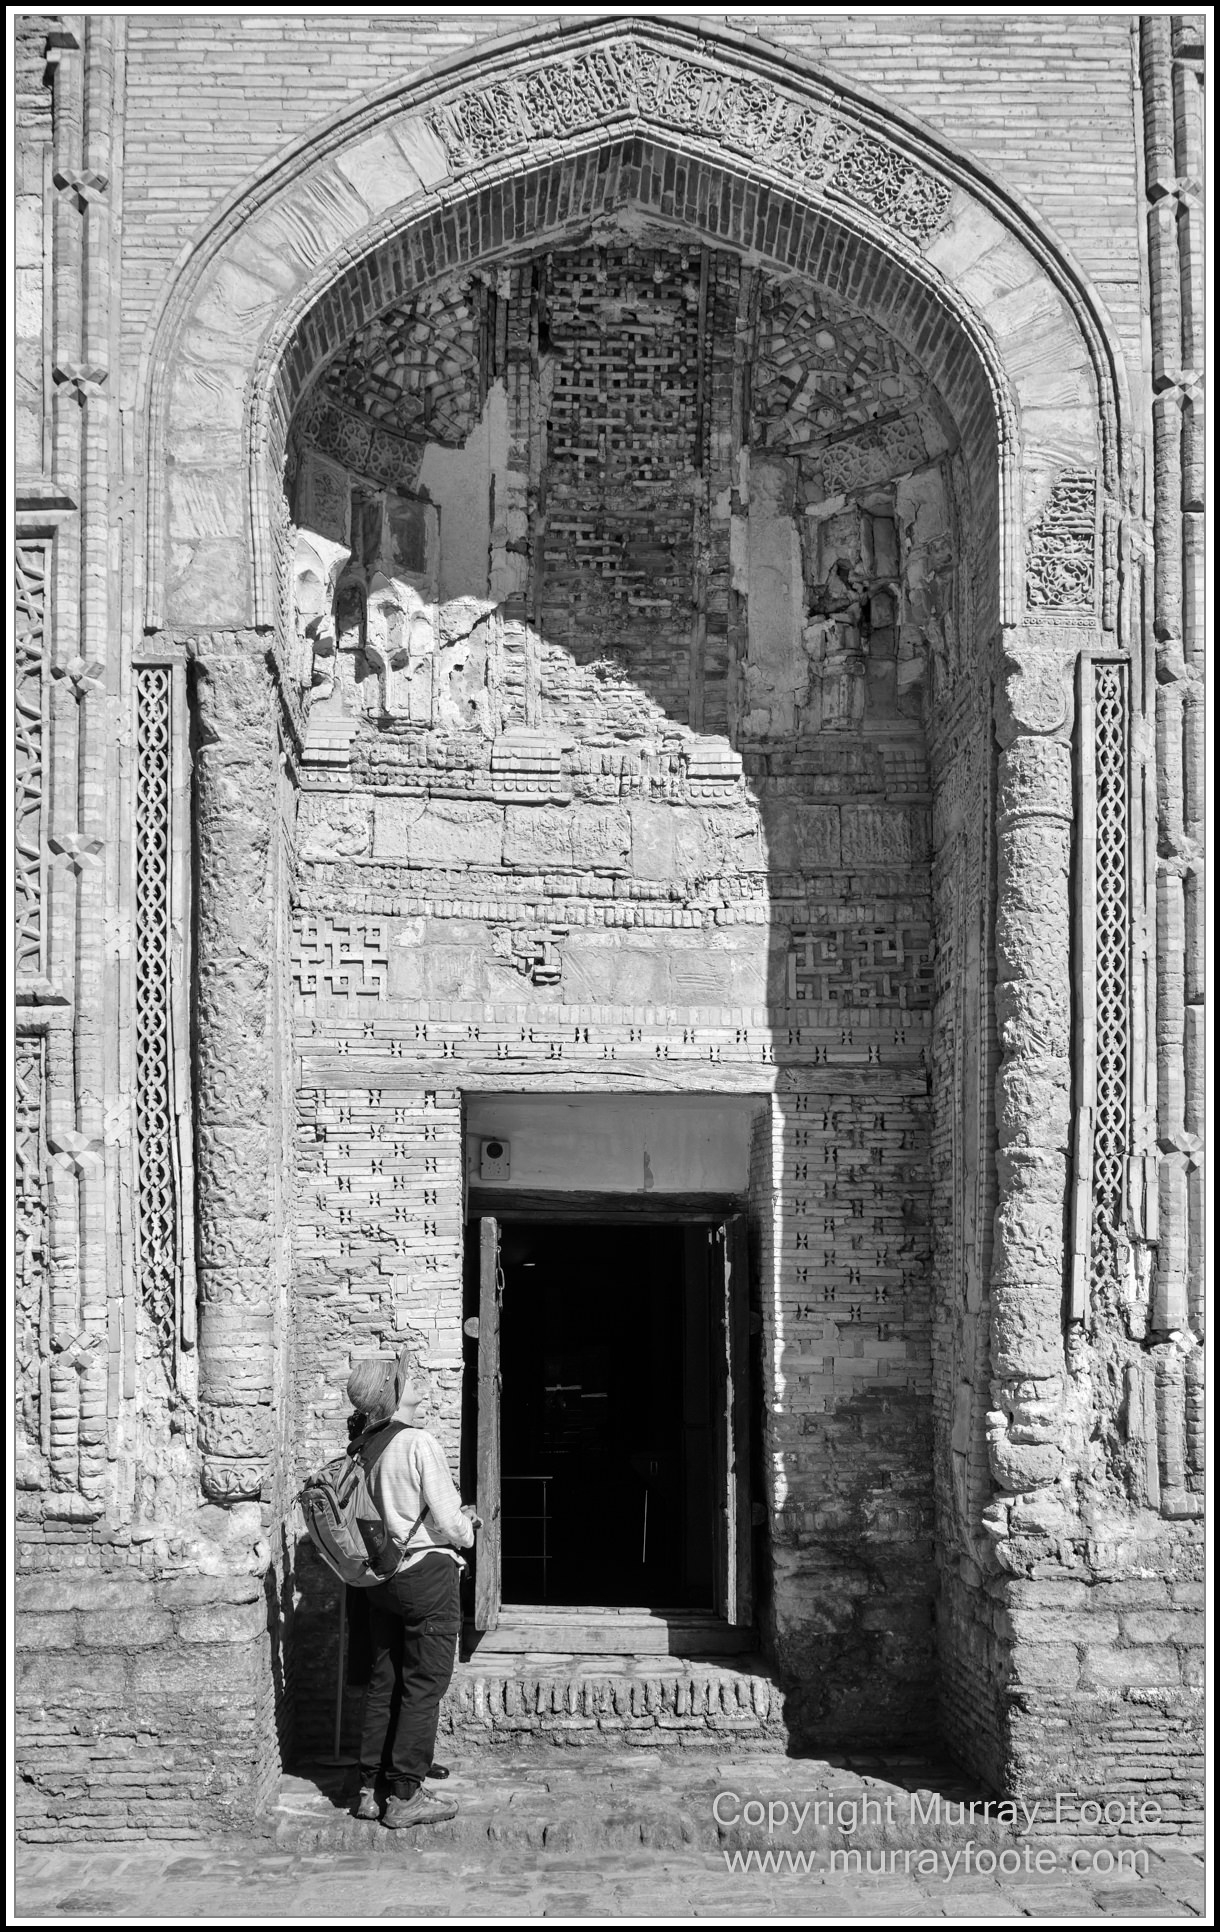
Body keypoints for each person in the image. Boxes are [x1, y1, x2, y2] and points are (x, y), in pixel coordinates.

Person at [345, 1355, 481, 1830]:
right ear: (392, 1392)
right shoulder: (418, 1442)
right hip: (425, 1576)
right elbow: (448, 1522)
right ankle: (405, 1794)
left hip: (382, 1580)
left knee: (385, 1680)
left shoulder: (362, 1446)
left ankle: (369, 1788)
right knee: (424, 1685)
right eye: (408, 1382)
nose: (418, 1388)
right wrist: (468, 1528)